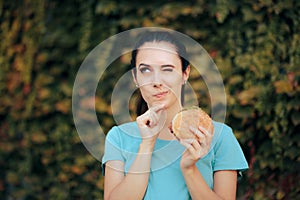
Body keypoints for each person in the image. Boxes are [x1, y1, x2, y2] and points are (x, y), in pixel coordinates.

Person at [102, 30, 248, 200]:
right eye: (146, 70)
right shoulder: (118, 138)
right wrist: (147, 145)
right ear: (135, 77)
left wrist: (189, 169)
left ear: (185, 74)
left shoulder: (219, 136)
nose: (157, 81)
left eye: (167, 69)